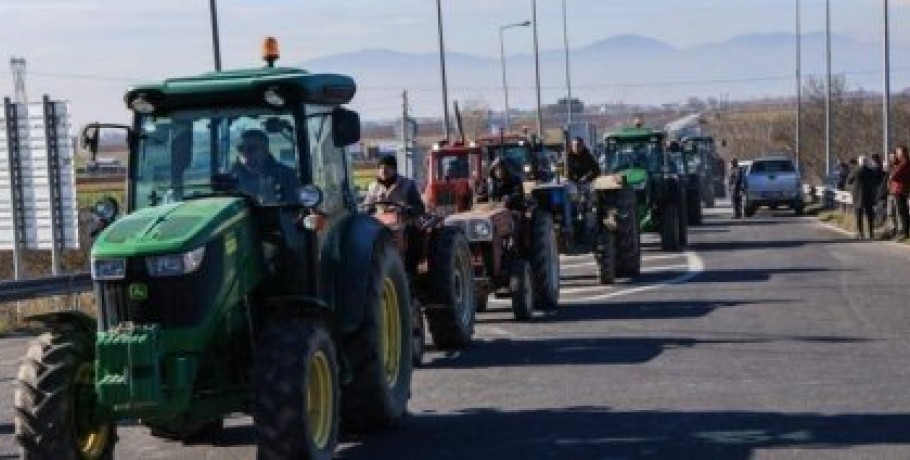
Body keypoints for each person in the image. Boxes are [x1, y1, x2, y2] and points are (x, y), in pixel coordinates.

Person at [233, 129, 298, 203]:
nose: (245, 153)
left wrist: (273, 201)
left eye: (252, 148)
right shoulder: (229, 178)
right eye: (241, 148)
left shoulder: (286, 176)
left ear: (265, 151)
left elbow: (295, 209)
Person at [847, 156, 880, 240]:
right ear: (866, 162)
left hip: (858, 196)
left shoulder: (855, 171)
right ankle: (871, 233)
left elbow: (849, 181)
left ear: (859, 162)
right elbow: (875, 182)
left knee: (859, 215)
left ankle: (860, 233)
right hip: (869, 195)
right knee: (870, 215)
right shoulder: (871, 171)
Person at [888, 145, 910, 241]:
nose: (896, 154)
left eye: (898, 152)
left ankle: (905, 233)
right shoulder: (901, 163)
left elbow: (894, 176)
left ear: (902, 152)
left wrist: (893, 169)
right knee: (902, 212)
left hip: (899, 190)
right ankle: (903, 232)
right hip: (900, 189)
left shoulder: (904, 163)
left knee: (902, 212)